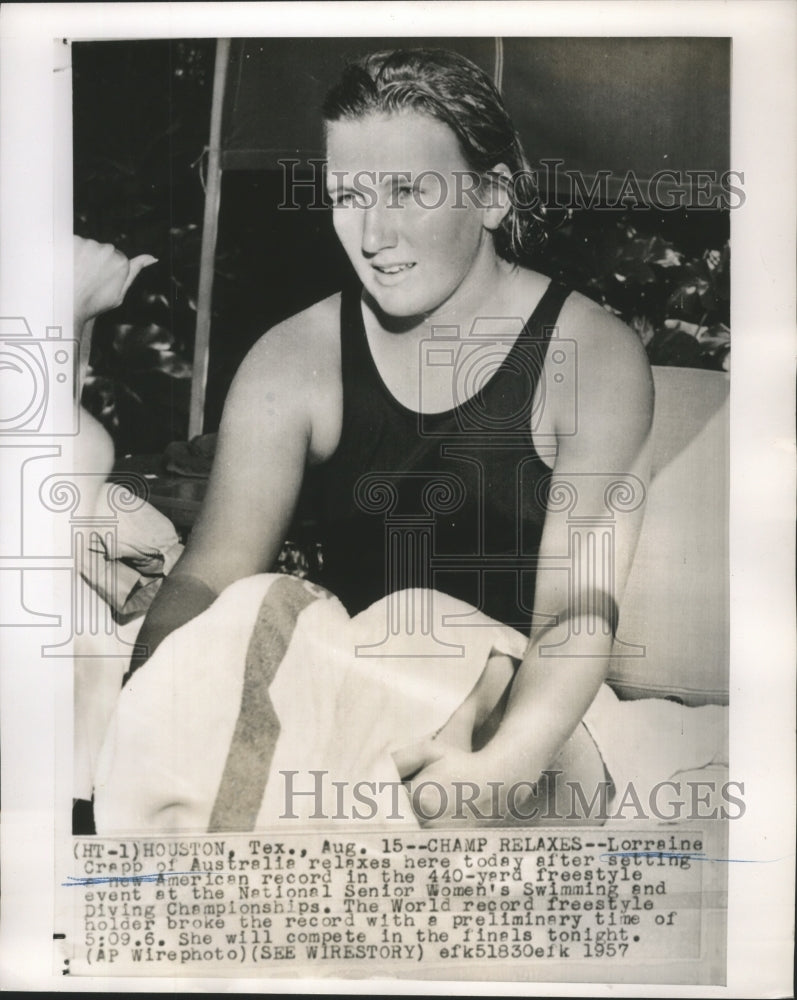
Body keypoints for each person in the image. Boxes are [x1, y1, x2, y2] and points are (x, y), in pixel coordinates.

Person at [129, 49, 654, 823]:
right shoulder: (293, 357)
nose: (373, 233)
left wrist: (504, 766)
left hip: (529, 724)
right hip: (356, 707)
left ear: (493, 196)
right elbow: (210, 579)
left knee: (431, 634)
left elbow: (576, 615)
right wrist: (139, 714)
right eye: (347, 194)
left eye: (408, 191)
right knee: (266, 608)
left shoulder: (592, 355)